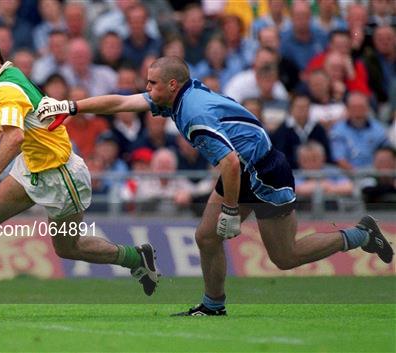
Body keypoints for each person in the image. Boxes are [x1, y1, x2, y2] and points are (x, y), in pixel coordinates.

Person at [37, 56, 394, 316]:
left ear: (172, 85)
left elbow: (231, 162)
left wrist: (229, 211)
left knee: (285, 257)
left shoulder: (192, 115)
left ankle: (361, 234)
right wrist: (71, 106)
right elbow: (121, 102)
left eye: (152, 84)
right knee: (206, 237)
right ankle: (213, 306)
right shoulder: (180, 96)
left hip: (265, 173)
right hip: (243, 167)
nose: (146, 90)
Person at [0, 35, 159, 313]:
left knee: (68, 248)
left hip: (60, 175)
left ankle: (136, 258)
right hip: (31, 166)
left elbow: (13, 139)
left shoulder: (6, 89)